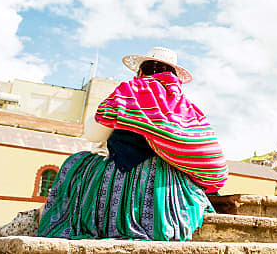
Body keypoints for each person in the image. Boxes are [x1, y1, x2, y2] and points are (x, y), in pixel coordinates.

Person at [36, 46, 228, 241]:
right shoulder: (188, 109)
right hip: (171, 189)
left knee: (77, 162)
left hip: (125, 174)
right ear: (174, 77)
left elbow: (93, 134)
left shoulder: (129, 92)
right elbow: (208, 159)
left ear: (141, 72)